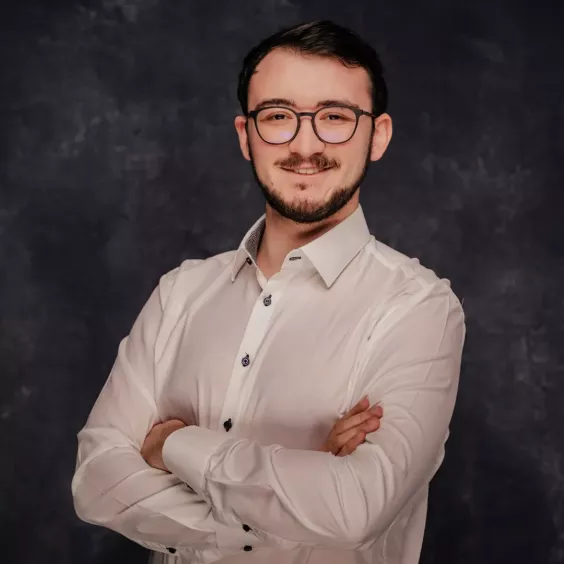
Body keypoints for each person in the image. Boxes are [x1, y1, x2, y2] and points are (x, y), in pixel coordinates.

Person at [71, 20, 466, 564]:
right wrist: (287, 506)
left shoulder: (418, 307)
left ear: (377, 135)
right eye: (278, 116)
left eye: (334, 117)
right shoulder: (180, 292)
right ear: (245, 135)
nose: (305, 145)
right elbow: (96, 480)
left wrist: (172, 446)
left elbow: (355, 510)